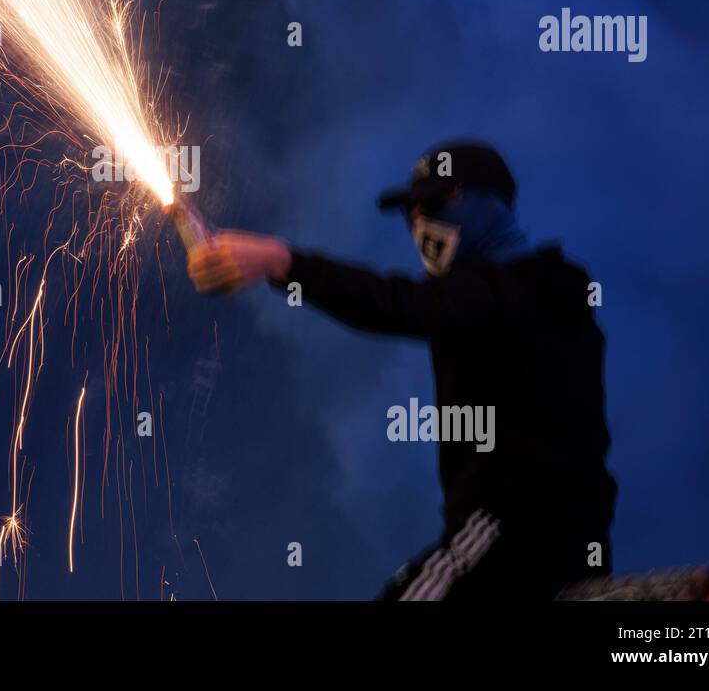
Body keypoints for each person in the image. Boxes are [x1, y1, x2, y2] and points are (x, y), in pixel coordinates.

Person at [187, 140, 617, 600]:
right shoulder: (515, 296)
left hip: (513, 528)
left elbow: (396, 304)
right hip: (550, 537)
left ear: (489, 204)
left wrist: (283, 261)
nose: (419, 223)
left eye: (435, 203)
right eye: (411, 212)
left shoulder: (528, 286)